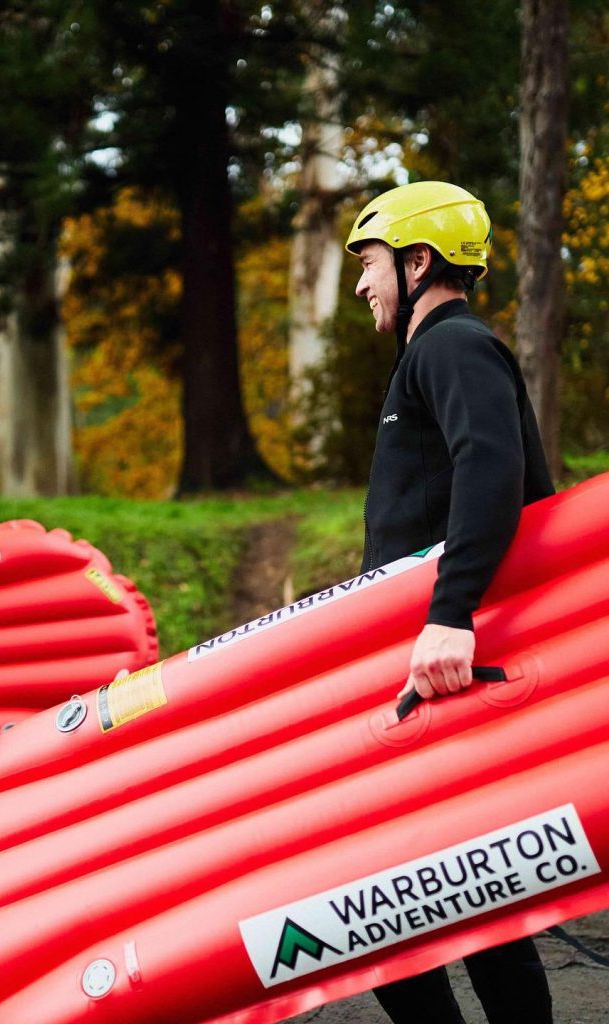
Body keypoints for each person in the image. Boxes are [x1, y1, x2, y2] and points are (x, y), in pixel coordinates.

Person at [345, 181, 555, 1024]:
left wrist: (450, 614)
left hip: (447, 660)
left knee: (386, 904)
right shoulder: (430, 356)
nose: (363, 284)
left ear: (418, 261)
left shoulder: (452, 346)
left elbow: (493, 470)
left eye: (369, 263)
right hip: (427, 660)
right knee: (456, 901)